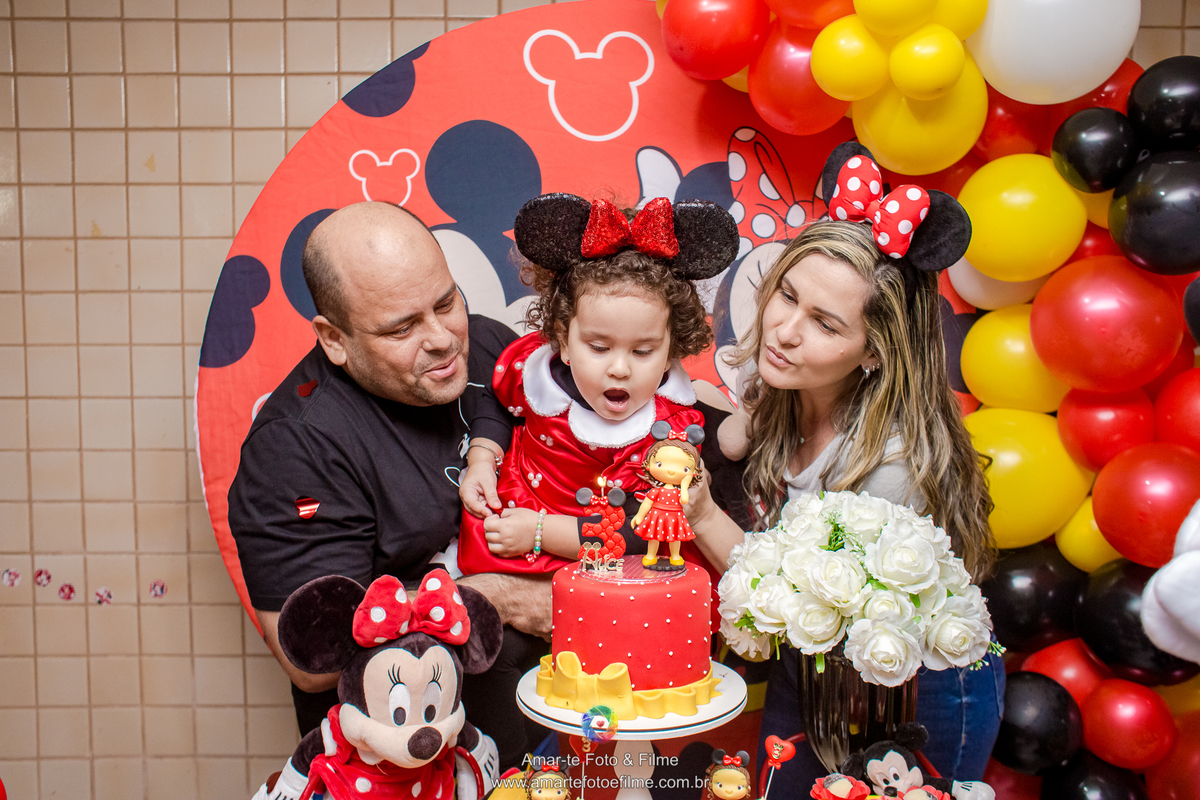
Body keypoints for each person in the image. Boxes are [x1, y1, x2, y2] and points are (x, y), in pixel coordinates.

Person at [685, 146, 1003, 794]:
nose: (784, 330)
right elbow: (735, 438)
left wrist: (700, 514)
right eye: (787, 295)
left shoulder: (892, 470)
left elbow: (793, 605)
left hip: (913, 693)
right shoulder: (790, 379)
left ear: (875, 353)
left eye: (824, 323)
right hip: (813, 675)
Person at [227, 201, 551, 771]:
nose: (444, 339)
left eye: (446, 302)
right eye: (401, 328)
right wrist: (499, 596)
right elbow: (312, 656)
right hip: (410, 763)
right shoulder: (296, 449)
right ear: (334, 339)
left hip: (550, 731)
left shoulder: (490, 344)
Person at [456, 194, 742, 575]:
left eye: (643, 351)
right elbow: (500, 400)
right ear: (563, 337)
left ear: (671, 348)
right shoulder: (534, 369)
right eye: (599, 347)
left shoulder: (668, 434)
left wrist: (540, 532)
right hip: (514, 511)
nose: (619, 369)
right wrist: (480, 460)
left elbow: (645, 530)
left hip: (603, 549)